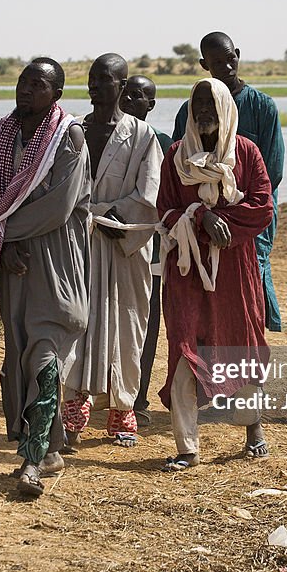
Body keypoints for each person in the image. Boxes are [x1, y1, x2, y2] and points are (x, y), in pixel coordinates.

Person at [0, 57, 88, 496]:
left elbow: (57, 207)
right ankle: (50, 446)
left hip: (56, 261)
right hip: (14, 262)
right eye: (23, 82)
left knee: (44, 355)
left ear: (55, 94)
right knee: (21, 358)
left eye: (37, 85)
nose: (26, 91)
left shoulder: (68, 136)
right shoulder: (1, 135)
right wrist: (5, 242)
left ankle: (31, 463)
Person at [159, 78, 273, 471]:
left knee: (240, 342)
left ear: (225, 109)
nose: (204, 110)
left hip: (233, 272)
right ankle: (187, 447)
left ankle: (252, 428)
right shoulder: (176, 156)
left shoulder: (246, 153)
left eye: (211, 104)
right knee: (185, 347)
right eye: (198, 104)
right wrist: (198, 217)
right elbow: (165, 210)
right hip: (186, 271)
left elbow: (262, 207)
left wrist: (221, 221)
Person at [62, 55, 162, 448]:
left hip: (125, 246)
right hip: (79, 243)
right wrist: (79, 220)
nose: (95, 86)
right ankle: (75, 405)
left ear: (121, 86)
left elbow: (147, 194)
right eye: (91, 78)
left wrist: (107, 218)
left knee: (127, 325)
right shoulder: (73, 131)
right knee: (77, 323)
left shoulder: (141, 136)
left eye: (105, 79)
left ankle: (123, 408)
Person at [173, 32, 285, 332]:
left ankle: (249, 348)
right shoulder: (190, 110)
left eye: (230, 59)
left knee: (251, 273)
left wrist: (230, 207)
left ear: (237, 54)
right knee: (205, 281)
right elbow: (179, 169)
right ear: (203, 64)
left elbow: (271, 172)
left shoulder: (262, 107)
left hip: (248, 211)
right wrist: (204, 210)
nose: (226, 67)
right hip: (201, 214)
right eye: (217, 62)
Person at [120, 74, 174, 426]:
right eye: (126, 92)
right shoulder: (105, 136)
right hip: (106, 244)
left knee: (146, 325)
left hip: (150, 250)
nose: (129, 99)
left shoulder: (165, 142)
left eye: (139, 95)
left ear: (151, 104)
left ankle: (137, 399)